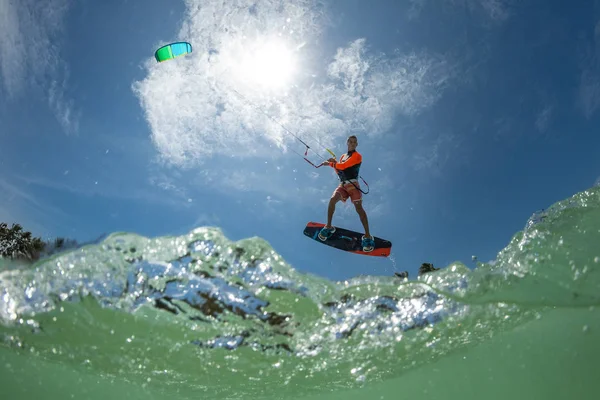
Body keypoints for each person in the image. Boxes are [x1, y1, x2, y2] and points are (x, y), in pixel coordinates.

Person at [317, 135, 375, 252]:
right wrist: (333, 164)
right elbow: (340, 171)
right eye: (351, 142)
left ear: (356, 145)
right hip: (343, 185)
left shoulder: (357, 156)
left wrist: (330, 164)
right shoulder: (343, 156)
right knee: (333, 200)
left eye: (355, 142)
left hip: (353, 186)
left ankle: (368, 236)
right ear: (347, 142)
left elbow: (343, 166)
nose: (353, 143)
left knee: (359, 209)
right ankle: (328, 227)